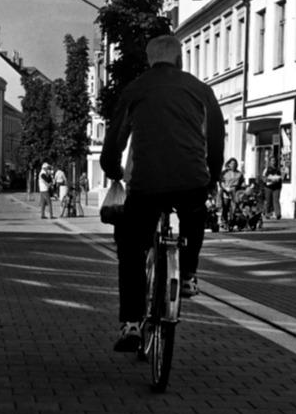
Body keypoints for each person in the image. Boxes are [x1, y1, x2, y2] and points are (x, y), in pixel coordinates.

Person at [102, 34, 225, 354]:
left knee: (130, 246)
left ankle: (130, 323)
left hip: (146, 184)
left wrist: (113, 169)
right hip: (191, 180)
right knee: (194, 217)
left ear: (149, 60)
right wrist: (211, 174)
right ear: (180, 58)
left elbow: (115, 137)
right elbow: (216, 136)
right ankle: (187, 275)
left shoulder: (135, 89)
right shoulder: (201, 90)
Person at [218, 158, 244, 226]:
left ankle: (234, 220)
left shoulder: (239, 173)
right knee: (225, 207)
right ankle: (224, 220)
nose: (233, 165)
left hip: (235, 191)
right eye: (232, 163)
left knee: (235, 206)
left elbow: (242, 182)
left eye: (235, 164)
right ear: (229, 164)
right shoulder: (224, 172)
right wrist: (226, 188)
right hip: (226, 190)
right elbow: (221, 182)